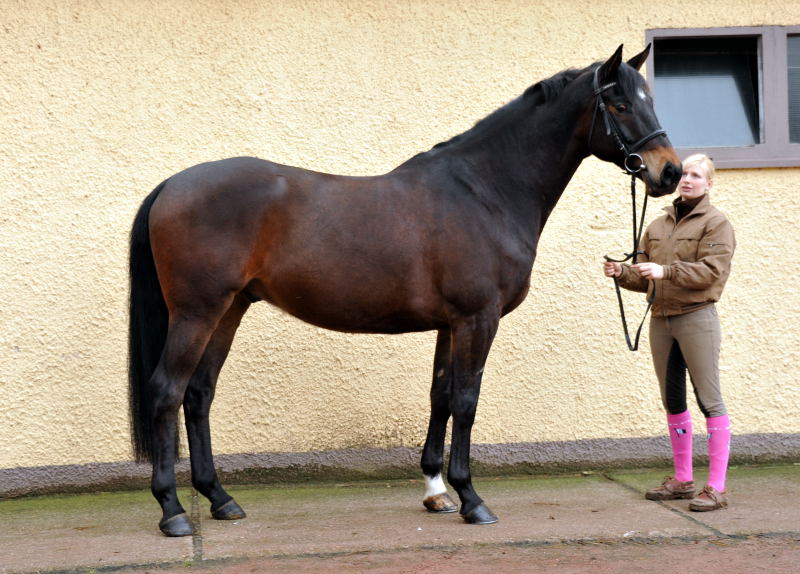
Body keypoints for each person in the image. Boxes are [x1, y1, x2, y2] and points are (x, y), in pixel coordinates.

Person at [603, 153, 735, 511]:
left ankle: (717, 487)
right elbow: (643, 275)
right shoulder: (658, 225)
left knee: (710, 400)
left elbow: (712, 271)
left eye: (696, 175)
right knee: (673, 402)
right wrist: (623, 272)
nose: (688, 179)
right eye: (684, 174)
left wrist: (667, 272)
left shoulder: (716, 223)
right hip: (661, 319)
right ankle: (682, 480)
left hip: (697, 319)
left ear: (709, 184)